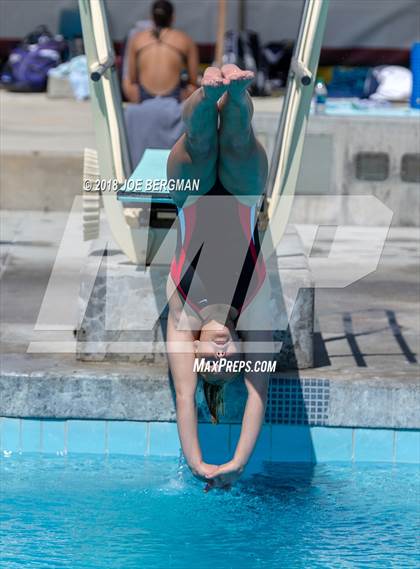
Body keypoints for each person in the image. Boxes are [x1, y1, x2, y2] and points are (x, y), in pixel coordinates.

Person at [166, 64, 274, 490]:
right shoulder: (253, 310)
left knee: (199, 139)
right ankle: (239, 93)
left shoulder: (183, 320)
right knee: (237, 138)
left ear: (197, 356)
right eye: (232, 364)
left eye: (211, 363)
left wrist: (198, 463)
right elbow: (257, 395)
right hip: (244, 196)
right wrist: (238, 461)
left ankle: (208, 92)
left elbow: (183, 399)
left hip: (191, 196)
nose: (223, 355)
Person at [123, 0, 199, 103]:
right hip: (174, 98)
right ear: (172, 17)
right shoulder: (185, 40)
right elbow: (193, 80)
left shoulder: (137, 39)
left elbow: (132, 78)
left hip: (142, 96)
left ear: (151, 18)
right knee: (193, 87)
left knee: (127, 81)